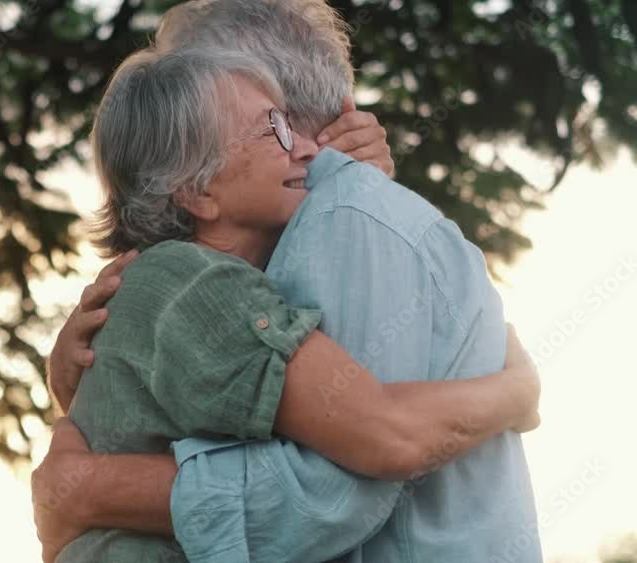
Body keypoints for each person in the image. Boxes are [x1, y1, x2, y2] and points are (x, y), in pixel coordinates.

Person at [33, 1, 543, 563]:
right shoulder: (192, 286)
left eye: (285, 119)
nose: (308, 152)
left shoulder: (203, 275)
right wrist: (514, 391)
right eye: (269, 126)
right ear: (196, 190)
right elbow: (359, 466)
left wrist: (91, 483)